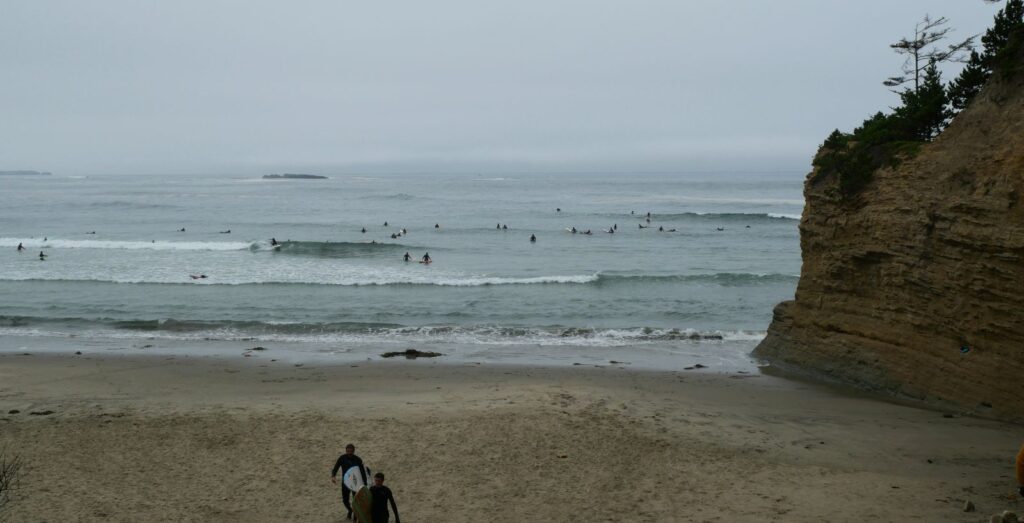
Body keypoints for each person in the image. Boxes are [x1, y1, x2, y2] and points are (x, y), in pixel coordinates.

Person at [330, 444, 366, 520]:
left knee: (355, 500)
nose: (349, 453)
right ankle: (350, 510)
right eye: (348, 451)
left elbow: (363, 472)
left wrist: (364, 484)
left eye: (351, 451)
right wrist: (333, 476)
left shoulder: (358, 459)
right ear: (346, 451)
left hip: (355, 483)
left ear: (354, 451)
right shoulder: (342, 458)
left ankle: (355, 517)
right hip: (345, 483)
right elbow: (336, 467)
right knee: (345, 500)